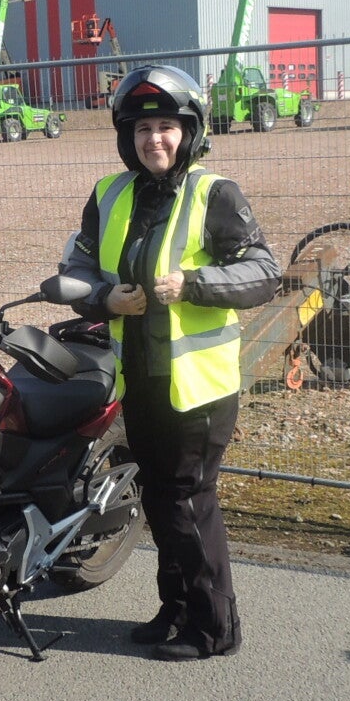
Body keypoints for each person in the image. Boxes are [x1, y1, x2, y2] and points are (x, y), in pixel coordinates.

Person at [61, 65, 280, 660]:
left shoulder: (215, 194)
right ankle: (176, 609)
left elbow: (264, 271)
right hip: (139, 378)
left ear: (189, 132)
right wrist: (103, 298)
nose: (153, 139)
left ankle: (214, 627)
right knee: (158, 500)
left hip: (198, 387)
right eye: (141, 128)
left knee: (187, 499)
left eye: (165, 127)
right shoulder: (109, 194)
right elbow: (75, 270)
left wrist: (193, 284)